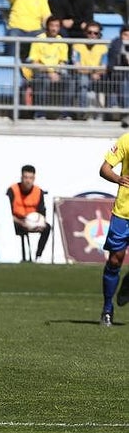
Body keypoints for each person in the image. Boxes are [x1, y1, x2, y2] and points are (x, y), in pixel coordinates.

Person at [98, 136, 129, 326]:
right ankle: (107, 309)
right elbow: (104, 169)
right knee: (115, 259)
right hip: (123, 213)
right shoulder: (126, 140)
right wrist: (118, 178)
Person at [8, 164, 52, 263]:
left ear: (34, 178)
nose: (28, 181)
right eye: (26, 177)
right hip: (16, 221)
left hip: (32, 222)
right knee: (13, 228)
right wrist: (20, 222)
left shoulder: (38, 191)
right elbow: (6, 213)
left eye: (30, 178)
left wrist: (40, 222)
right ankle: (20, 257)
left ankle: (38, 256)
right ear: (21, 178)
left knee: (47, 228)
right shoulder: (12, 190)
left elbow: (42, 212)